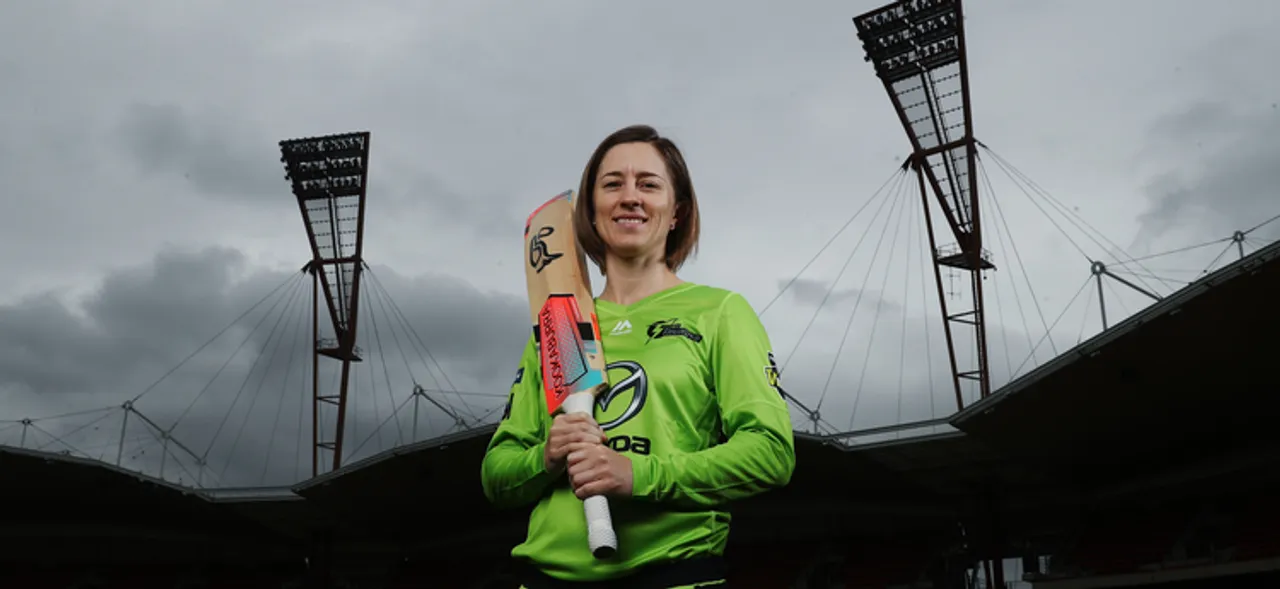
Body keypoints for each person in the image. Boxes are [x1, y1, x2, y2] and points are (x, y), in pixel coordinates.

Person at [481, 124, 796, 588]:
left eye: (648, 184)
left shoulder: (720, 311)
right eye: (613, 184)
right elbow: (496, 474)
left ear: (676, 213)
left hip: (673, 574)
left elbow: (770, 453)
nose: (630, 197)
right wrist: (545, 458)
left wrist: (639, 474)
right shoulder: (558, 327)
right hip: (544, 575)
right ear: (591, 211)